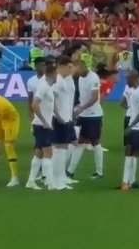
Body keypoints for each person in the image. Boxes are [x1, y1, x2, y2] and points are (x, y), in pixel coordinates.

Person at [69, 58, 105, 180]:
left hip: (93, 115)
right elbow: (83, 97)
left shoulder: (93, 77)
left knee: (94, 142)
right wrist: (78, 108)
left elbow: (95, 97)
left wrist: (81, 108)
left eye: (77, 66)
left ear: (84, 66)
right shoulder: (80, 78)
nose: (75, 69)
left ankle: (99, 172)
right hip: (84, 115)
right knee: (81, 142)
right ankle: (71, 171)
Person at [27, 68, 57, 189]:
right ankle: (50, 183)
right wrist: (44, 121)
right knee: (48, 153)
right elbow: (34, 104)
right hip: (41, 125)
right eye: (56, 74)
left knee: (39, 153)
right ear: (53, 74)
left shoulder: (48, 86)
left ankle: (30, 181)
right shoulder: (43, 86)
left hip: (42, 124)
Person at [50, 56, 77, 191]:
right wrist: (58, 115)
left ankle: (60, 178)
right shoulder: (58, 80)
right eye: (69, 67)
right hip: (59, 118)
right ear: (62, 66)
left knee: (63, 148)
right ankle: (55, 180)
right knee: (59, 149)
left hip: (65, 118)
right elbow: (52, 98)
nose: (71, 70)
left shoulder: (64, 80)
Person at [26, 57, 48, 184]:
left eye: (44, 65)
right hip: (38, 116)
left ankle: (43, 173)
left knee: (46, 146)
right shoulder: (31, 81)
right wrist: (29, 111)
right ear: (36, 67)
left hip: (48, 115)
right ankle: (42, 174)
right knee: (41, 144)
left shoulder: (49, 80)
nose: (43, 68)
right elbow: (30, 97)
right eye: (40, 65)